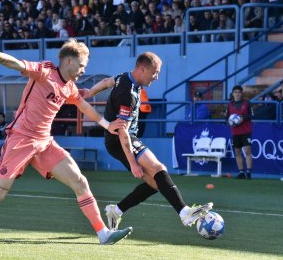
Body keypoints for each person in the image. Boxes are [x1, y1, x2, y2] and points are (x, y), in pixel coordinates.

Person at [0, 38, 133, 245]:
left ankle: (103, 234)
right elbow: (13, 63)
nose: (84, 70)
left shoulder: (70, 88)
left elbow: (84, 107)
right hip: (20, 140)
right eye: (82, 65)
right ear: (68, 61)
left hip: (44, 143)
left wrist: (106, 124)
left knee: (80, 182)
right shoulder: (44, 72)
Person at [81, 52, 213, 231]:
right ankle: (185, 213)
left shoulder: (124, 78)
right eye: (155, 72)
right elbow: (122, 131)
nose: (156, 77)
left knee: (156, 183)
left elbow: (106, 82)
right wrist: (133, 162)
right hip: (120, 139)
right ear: (143, 69)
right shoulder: (128, 94)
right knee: (159, 169)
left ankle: (117, 211)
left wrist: (89, 92)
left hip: (120, 139)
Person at [226, 85, 253, 179]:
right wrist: (230, 122)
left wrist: (243, 119)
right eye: (235, 92)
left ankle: (249, 172)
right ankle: (241, 172)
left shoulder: (247, 103)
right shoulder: (229, 104)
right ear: (232, 94)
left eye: (239, 92)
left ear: (241, 94)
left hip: (246, 130)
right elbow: (226, 118)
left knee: (247, 151)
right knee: (237, 152)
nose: (237, 94)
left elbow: (251, 115)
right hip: (235, 132)